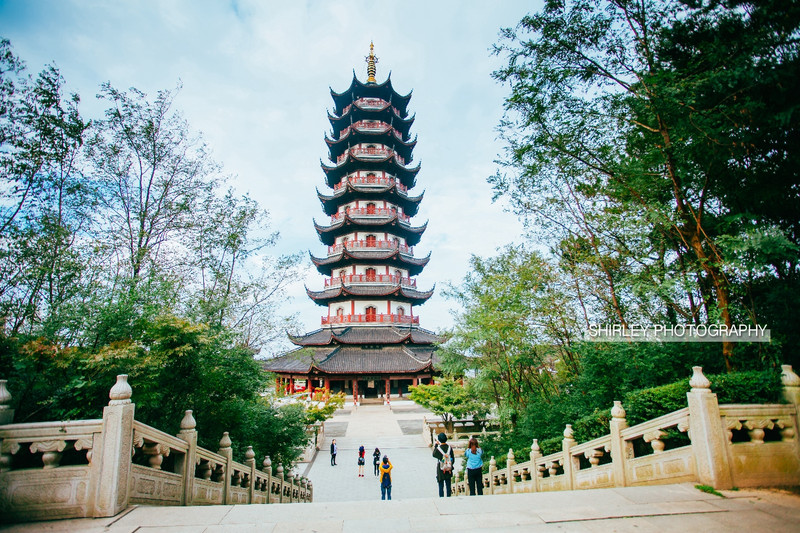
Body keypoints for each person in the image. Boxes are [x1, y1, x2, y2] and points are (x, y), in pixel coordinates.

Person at [432, 432, 455, 497]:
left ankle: (441, 497)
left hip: (441, 468)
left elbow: (434, 454)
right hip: (448, 468)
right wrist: (449, 464)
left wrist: (436, 445)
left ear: (439, 440)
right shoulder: (449, 448)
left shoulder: (439, 449)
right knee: (448, 484)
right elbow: (453, 458)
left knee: (441, 484)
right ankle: (448, 496)